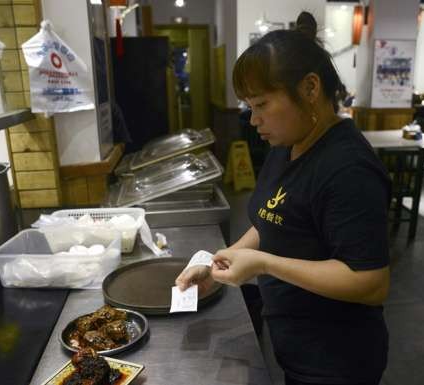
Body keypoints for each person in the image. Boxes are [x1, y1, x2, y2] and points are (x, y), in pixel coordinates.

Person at [175, 12, 391, 385]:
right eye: (248, 106)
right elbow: (273, 218)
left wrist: (263, 265)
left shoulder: (348, 168)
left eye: (260, 104)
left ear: (310, 89)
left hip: (336, 359)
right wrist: (216, 264)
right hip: (296, 344)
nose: (252, 119)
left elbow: (370, 282)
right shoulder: (287, 144)